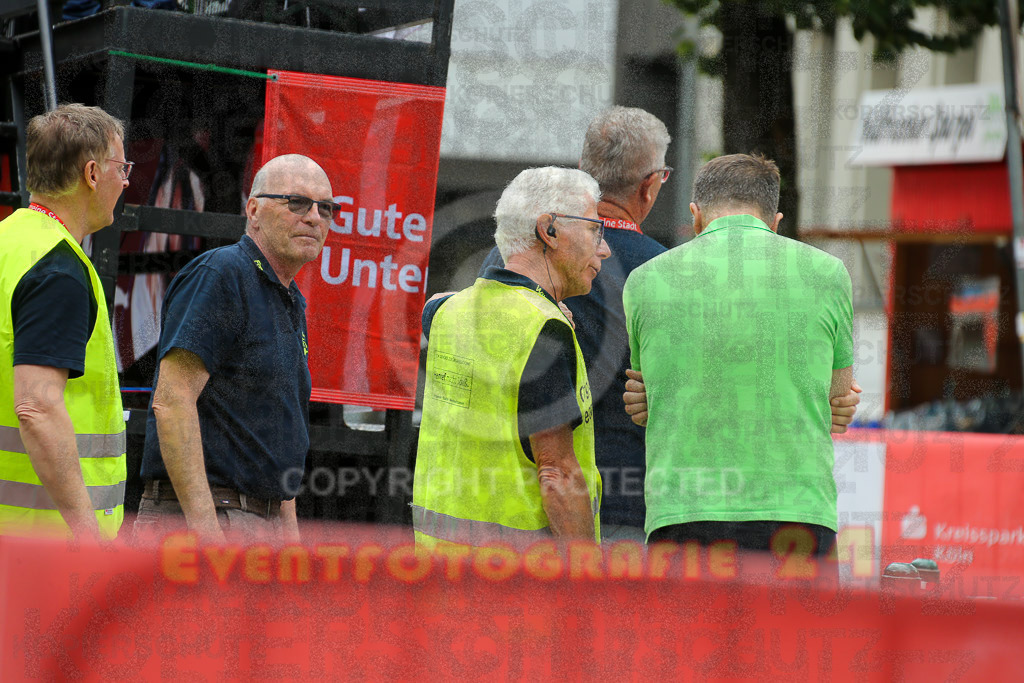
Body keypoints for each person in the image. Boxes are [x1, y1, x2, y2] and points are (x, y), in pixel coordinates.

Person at [479, 107, 861, 543]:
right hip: (640, 503)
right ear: (649, 186)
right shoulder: (822, 273)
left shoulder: (507, 264)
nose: (599, 256)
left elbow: (647, 390)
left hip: (521, 498)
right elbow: (835, 400)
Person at [622, 153, 854, 564]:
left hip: (683, 513)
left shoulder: (644, 280)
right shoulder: (829, 273)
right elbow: (838, 400)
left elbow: (644, 398)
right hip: (797, 512)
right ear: (776, 221)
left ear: (695, 217)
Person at [134, 154, 336, 545]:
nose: (314, 217)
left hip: (259, 524)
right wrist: (209, 535)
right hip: (208, 521)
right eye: (297, 202)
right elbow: (172, 401)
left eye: (326, 208)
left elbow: (280, 435)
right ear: (254, 210)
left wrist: (288, 536)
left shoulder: (289, 297)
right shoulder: (222, 274)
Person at [413, 167, 609, 551]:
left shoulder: (444, 315)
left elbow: (437, 303)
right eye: (594, 230)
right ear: (548, 231)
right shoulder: (543, 330)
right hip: (516, 585)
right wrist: (591, 586)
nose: (604, 248)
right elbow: (557, 475)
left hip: (437, 569)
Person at [0, 103, 129, 540]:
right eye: (121, 167)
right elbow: (36, 407)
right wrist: (90, 542)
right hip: (43, 549)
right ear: (92, 174)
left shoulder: (8, 243)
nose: (126, 181)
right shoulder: (58, 268)